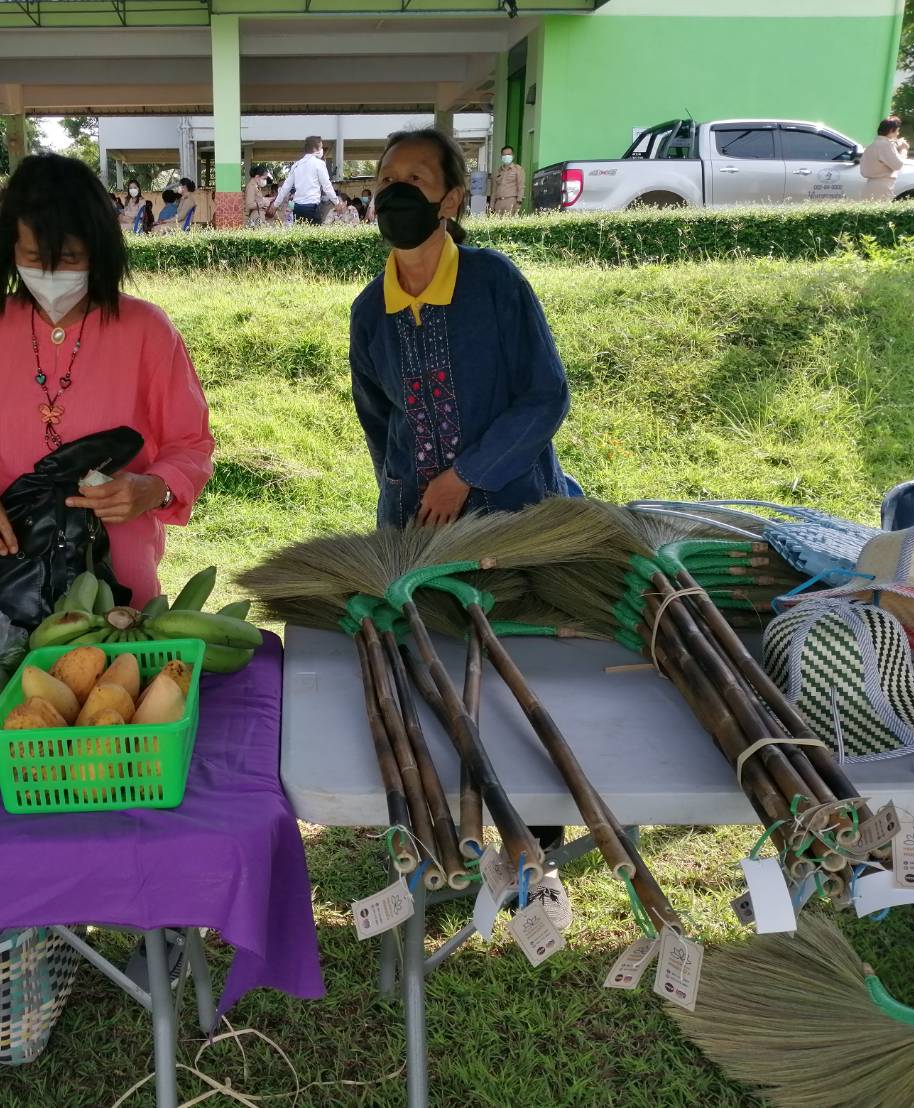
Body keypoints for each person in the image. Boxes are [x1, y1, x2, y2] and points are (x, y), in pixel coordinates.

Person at [348, 129, 572, 922]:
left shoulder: (493, 281)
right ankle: (449, 831)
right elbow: (378, 422)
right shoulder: (369, 309)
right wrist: (403, 502)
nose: (394, 190)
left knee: (513, 676)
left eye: (415, 178)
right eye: (385, 177)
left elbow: (545, 396)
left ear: (449, 199)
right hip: (420, 532)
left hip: (514, 518)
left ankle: (533, 843)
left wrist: (465, 474)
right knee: (436, 674)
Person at [0, 152, 214, 613]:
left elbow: (190, 444)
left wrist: (154, 488)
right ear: (10, 250)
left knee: (116, 653)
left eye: (70, 258)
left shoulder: (147, 330)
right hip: (9, 562)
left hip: (117, 566)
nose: (52, 274)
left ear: (99, 248)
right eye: (35, 257)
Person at [271, 136, 338, 226]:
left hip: (297, 208)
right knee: (314, 234)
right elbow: (327, 187)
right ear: (315, 149)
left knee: (300, 234)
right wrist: (337, 202)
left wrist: (275, 204)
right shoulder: (319, 164)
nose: (322, 150)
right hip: (312, 207)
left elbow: (285, 187)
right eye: (321, 147)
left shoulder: (296, 165)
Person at [859, 116, 908, 201]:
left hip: (870, 184)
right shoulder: (886, 145)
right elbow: (898, 165)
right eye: (897, 130)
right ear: (891, 130)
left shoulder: (872, 145)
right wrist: (904, 149)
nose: (898, 134)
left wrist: (896, 145)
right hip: (882, 186)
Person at [490, 146, 525, 215]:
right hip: (498, 203)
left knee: (509, 221)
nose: (506, 156)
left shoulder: (518, 169)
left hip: (511, 201)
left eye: (509, 154)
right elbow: (494, 190)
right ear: (501, 157)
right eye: (504, 155)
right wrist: (491, 205)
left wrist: (518, 203)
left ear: (513, 156)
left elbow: (521, 187)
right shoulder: (498, 171)